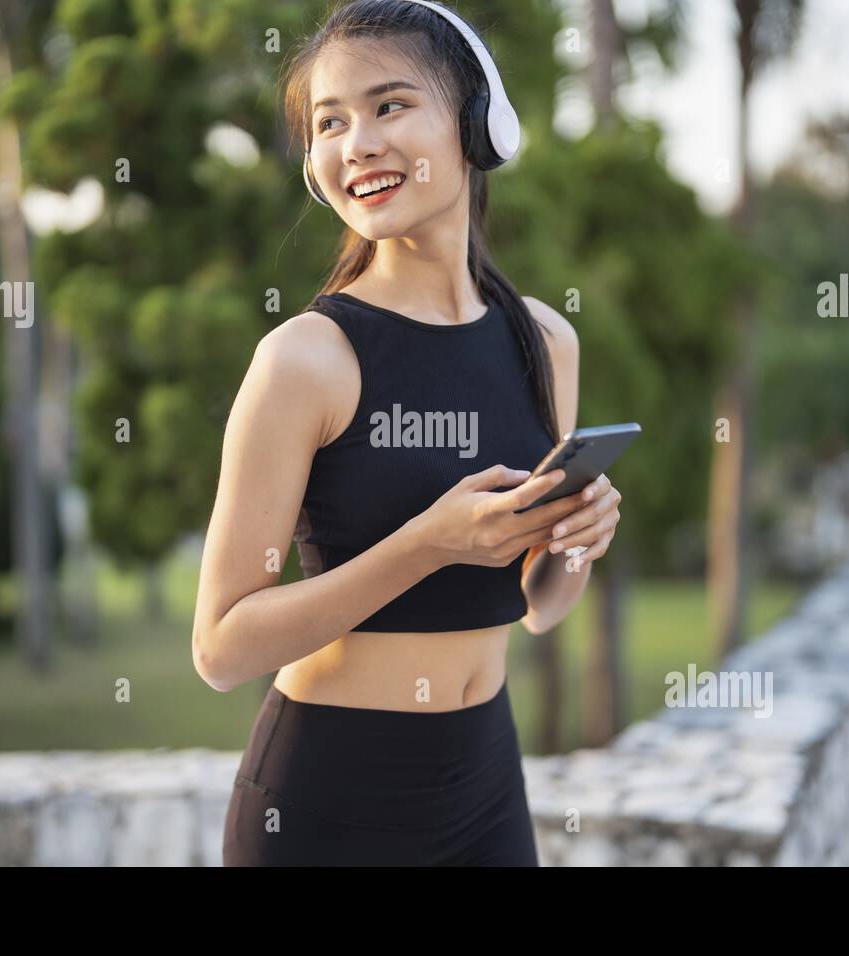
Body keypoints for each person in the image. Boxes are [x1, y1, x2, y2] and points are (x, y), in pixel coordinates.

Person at [193, 0, 622, 866]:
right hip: (328, 801)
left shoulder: (545, 342)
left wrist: (576, 541)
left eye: (390, 106)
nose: (358, 144)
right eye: (331, 123)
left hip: (487, 784)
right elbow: (220, 648)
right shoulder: (306, 359)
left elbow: (538, 609)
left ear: (475, 126)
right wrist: (427, 544)